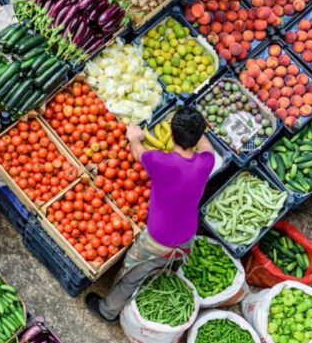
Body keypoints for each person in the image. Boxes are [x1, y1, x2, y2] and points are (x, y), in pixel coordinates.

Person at [85, 106, 215, 323]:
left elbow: (137, 152)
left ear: (171, 133)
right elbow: (207, 147)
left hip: (157, 239)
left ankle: (107, 311)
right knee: (165, 264)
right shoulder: (206, 163)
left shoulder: (161, 162)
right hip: (186, 237)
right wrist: (199, 130)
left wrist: (134, 137)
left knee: (131, 275)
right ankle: (162, 271)